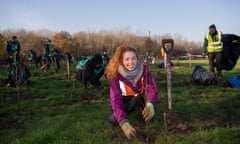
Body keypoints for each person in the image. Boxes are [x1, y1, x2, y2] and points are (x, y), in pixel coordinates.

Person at [104, 45, 158, 139]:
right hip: (123, 101)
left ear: (137, 59)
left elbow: (152, 87)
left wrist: (150, 104)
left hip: (139, 98)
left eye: (133, 58)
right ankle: (114, 118)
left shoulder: (144, 70)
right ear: (121, 61)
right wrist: (123, 122)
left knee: (150, 118)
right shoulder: (115, 75)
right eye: (127, 59)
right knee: (114, 121)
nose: (131, 62)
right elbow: (116, 100)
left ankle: (141, 108)